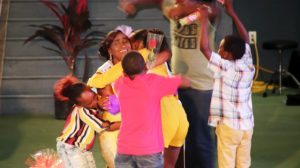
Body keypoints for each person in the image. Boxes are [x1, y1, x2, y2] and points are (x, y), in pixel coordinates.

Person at [119, 1, 220, 167]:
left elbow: (213, 11)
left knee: (199, 137)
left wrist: (185, 9)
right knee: (180, 138)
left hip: (201, 84)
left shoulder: (207, 9)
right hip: (177, 87)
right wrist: (134, 2)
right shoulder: (148, 57)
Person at [87, 26, 171, 168]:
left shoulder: (140, 59)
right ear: (109, 50)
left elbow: (162, 50)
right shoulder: (105, 70)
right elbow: (93, 89)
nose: (123, 45)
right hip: (118, 131)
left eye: (125, 41)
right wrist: (99, 102)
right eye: (116, 42)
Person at [198, 0, 255, 167]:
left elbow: (204, 48)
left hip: (229, 127)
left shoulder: (225, 67)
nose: (218, 51)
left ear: (229, 54)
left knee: (226, 163)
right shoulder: (247, 63)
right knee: (243, 163)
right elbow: (245, 38)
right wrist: (231, 12)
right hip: (247, 126)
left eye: (222, 48)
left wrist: (202, 20)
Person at [114, 51, 190, 168]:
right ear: (145, 66)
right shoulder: (154, 82)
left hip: (124, 149)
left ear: (124, 72)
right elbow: (185, 82)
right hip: (149, 150)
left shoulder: (120, 83)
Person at [130, 29, 189, 168]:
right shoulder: (161, 63)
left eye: (131, 42)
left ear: (138, 43)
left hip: (163, 116)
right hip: (179, 116)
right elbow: (165, 50)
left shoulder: (143, 58)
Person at [54, 75, 117, 168]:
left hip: (82, 148)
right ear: (79, 105)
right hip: (70, 147)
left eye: (95, 97)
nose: (95, 102)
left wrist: (100, 106)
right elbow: (105, 126)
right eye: (90, 103)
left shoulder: (88, 106)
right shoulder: (82, 111)